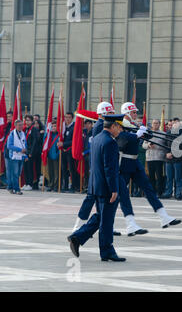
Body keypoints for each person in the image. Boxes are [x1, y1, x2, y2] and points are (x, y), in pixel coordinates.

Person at [67, 114, 126, 262]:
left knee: (101, 216)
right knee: (107, 220)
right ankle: (107, 251)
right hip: (106, 187)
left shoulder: (97, 138)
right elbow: (109, 168)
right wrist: (114, 189)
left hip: (96, 184)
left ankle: (78, 237)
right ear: (112, 126)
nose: (120, 130)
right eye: (118, 127)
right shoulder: (110, 142)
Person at [118, 102, 182, 230]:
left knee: (148, 188)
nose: (136, 114)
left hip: (135, 162)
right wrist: (136, 134)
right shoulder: (121, 125)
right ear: (127, 113)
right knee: (122, 194)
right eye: (134, 112)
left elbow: (148, 136)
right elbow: (122, 141)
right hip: (124, 163)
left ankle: (163, 216)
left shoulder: (132, 125)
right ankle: (129, 224)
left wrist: (144, 132)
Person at [161, 118, 182, 200]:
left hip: (177, 158)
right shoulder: (168, 133)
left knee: (178, 177)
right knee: (169, 177)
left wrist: (173, 154)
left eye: (176, 123)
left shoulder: (181, 134)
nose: (174, 125)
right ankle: (168, 192)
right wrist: (167, 153)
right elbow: (165, 144)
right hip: (168, 158)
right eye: (173, 123)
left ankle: (178, 193)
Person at [143, 119, 166, 197]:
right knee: (151, 176)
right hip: (150, 157)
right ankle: (151, 192)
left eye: (156, 123)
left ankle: (159, 192)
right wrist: (148, 145)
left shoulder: (163, 134)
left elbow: (165, 146)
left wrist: (157, 146)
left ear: (159, 124)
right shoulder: (148, 133)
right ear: (151, 124)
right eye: (153, 123)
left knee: (159, 176)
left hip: (159, 157)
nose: (155, 125)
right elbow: (143, 145)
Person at [58, 112, 79, 193]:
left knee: (71, 169)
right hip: (63, 150)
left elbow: (74, 140)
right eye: (66, 117)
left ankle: (73, 186)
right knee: (63, 169)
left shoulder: (74, 127)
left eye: (69, 117)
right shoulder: (63, 127)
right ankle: (65, 185)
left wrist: (64, 144)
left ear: (72, 118)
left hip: (70, 150)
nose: (67, 119)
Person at [6, 120, 27, 195]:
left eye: (22, 125)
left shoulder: (23, 134)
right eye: (19, 125)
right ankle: (17, 189)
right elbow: (9, 146)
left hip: (21, 156)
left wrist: (26, 155)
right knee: (14, 173)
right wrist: (20, 150)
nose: (21, 126)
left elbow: (25, 145)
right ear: (15, 126)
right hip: (14, 156)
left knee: (18, 174)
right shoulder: (12, 134)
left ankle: (10, 187)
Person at [22, 115, 40, 191]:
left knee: (30, 168)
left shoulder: (34, 129)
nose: (27, 122)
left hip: (31, 152)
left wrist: (31, 153)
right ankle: (26, 183)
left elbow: (35, 142)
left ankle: (30, 184)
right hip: (25, 152)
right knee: (25, 168)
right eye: (26, 120)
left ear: (32, 121)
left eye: (29, 120)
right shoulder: (25, 129)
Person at [45, 122, 60, 192]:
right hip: (49, 155)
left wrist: (58, 154)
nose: (53, 128)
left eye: (55, 126)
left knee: (56, 172)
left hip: (56, 156)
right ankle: (51, 185)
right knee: (50, 171)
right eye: (52, 126)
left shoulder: (59, 136)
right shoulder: (49, 135)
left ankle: (56, 186)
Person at [1, 111, 13, 189]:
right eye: (7, 116)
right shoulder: (6, 126)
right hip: (4, 149)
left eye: (10, 116)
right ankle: (4, 183)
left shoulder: (13, 127)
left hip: (11, 150)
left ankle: (10, 183)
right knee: (5, 168)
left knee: (10, 169)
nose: (8, 118)